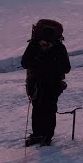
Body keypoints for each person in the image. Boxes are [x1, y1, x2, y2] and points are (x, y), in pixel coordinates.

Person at [20, 18, 70, 146]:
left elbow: (67, 68)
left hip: (52, 84)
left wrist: (49, 65)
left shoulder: (59, 48)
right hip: (35, 84)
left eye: (47, 44)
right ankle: (37, 134)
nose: (44, 45)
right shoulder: (34, 45)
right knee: (37, 108)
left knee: (49, 109)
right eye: (43, 43)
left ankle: (47, 136)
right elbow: (24, 62)